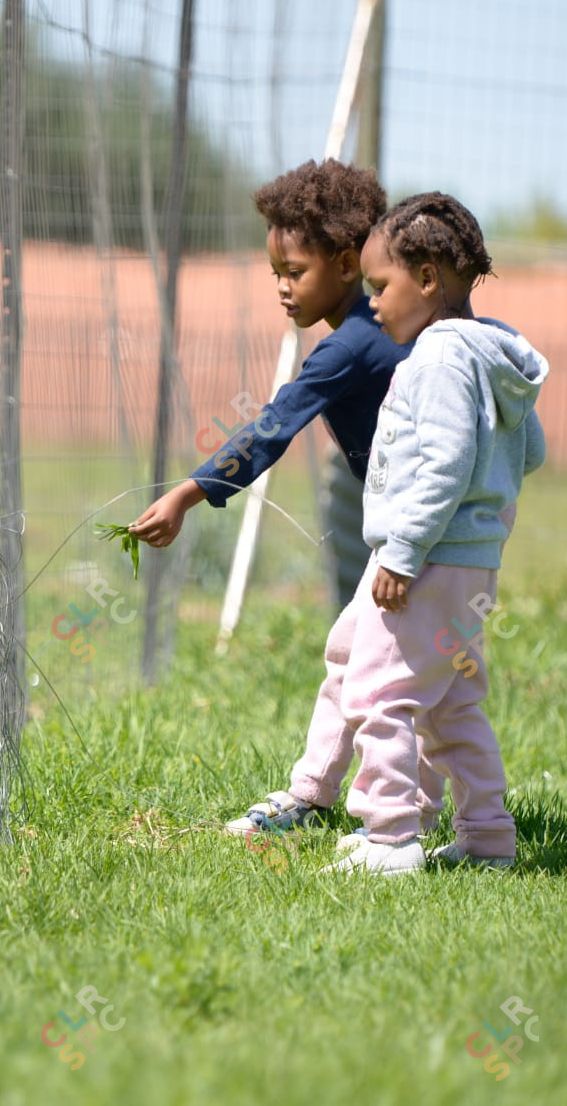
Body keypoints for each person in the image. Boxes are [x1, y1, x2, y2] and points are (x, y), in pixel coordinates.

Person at [129, 158, 437, 835]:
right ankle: (348, 799)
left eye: (294, 273)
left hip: (422, 537)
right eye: (276, 274)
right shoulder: (395, 329)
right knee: (384, 664)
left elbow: (273, 426)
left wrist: (187, 492)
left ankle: (396, 822)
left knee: (381, 670)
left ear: (349, 264)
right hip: (431, 529)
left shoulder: (351, 347)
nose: (282, 288)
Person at [319, 193, 546, 874]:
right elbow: (526, 452)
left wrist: (407, 548)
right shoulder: (491, 359)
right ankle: (486, 838)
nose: (373, 304)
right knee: (449, 704)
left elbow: (447, 461)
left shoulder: (438, 359)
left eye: (379, 286)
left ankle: (390, 836)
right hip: (470, 567)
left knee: (379, 693)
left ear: (426, 278)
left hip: (427, 562)